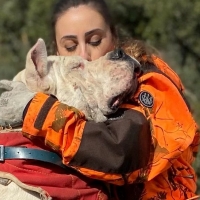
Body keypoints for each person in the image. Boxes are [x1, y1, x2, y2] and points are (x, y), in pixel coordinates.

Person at [0, 0, 199, 199]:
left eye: (95, 41)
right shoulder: (67, 93)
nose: (83, 55)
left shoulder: (149, 79)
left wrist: (33, 110)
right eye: (70, 47)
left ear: (114, 37)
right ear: (56, 54)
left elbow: (121, 150)